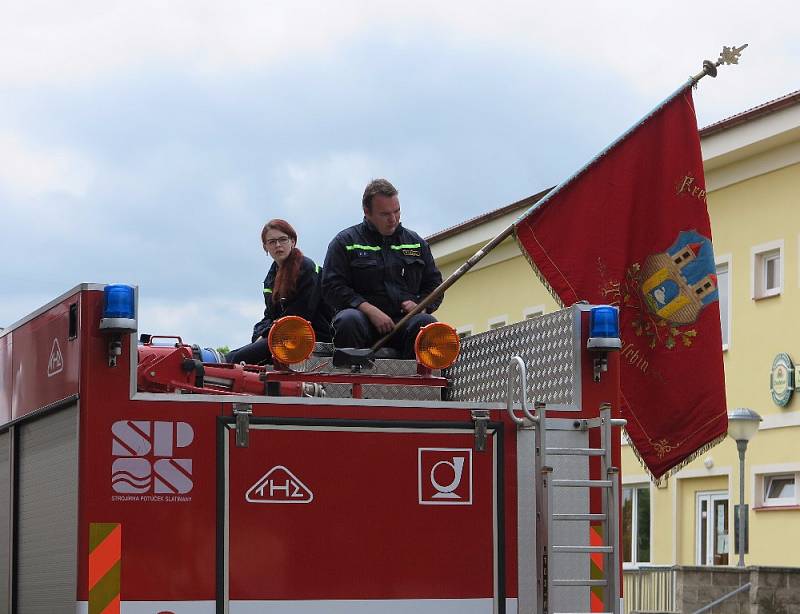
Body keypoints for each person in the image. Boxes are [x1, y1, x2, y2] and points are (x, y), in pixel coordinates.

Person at [322, 178, 443, 359]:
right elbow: (332, 287)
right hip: (362, 322)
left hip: (404, 324)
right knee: (348, 320)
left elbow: (435, 285)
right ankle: (351, 382)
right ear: (367, 212)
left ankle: (416, 384)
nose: (393, 219)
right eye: (385, 214)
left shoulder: (416, 243)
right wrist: (370, 310)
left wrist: (421, 306)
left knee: (427, 324)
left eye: (397, 211)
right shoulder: (345, 243)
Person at [226, 219, 332, 365]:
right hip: (281, 335)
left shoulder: (306, 268)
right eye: (272, 241)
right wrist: (259, 334)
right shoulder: (271, 277)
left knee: (237, 359)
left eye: (283, 239)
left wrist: (265, 336)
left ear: (293, 242)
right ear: (265, 247)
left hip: (307, 336)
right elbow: (269, 315)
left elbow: (299, 315)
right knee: (231, 357)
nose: (278, 245)